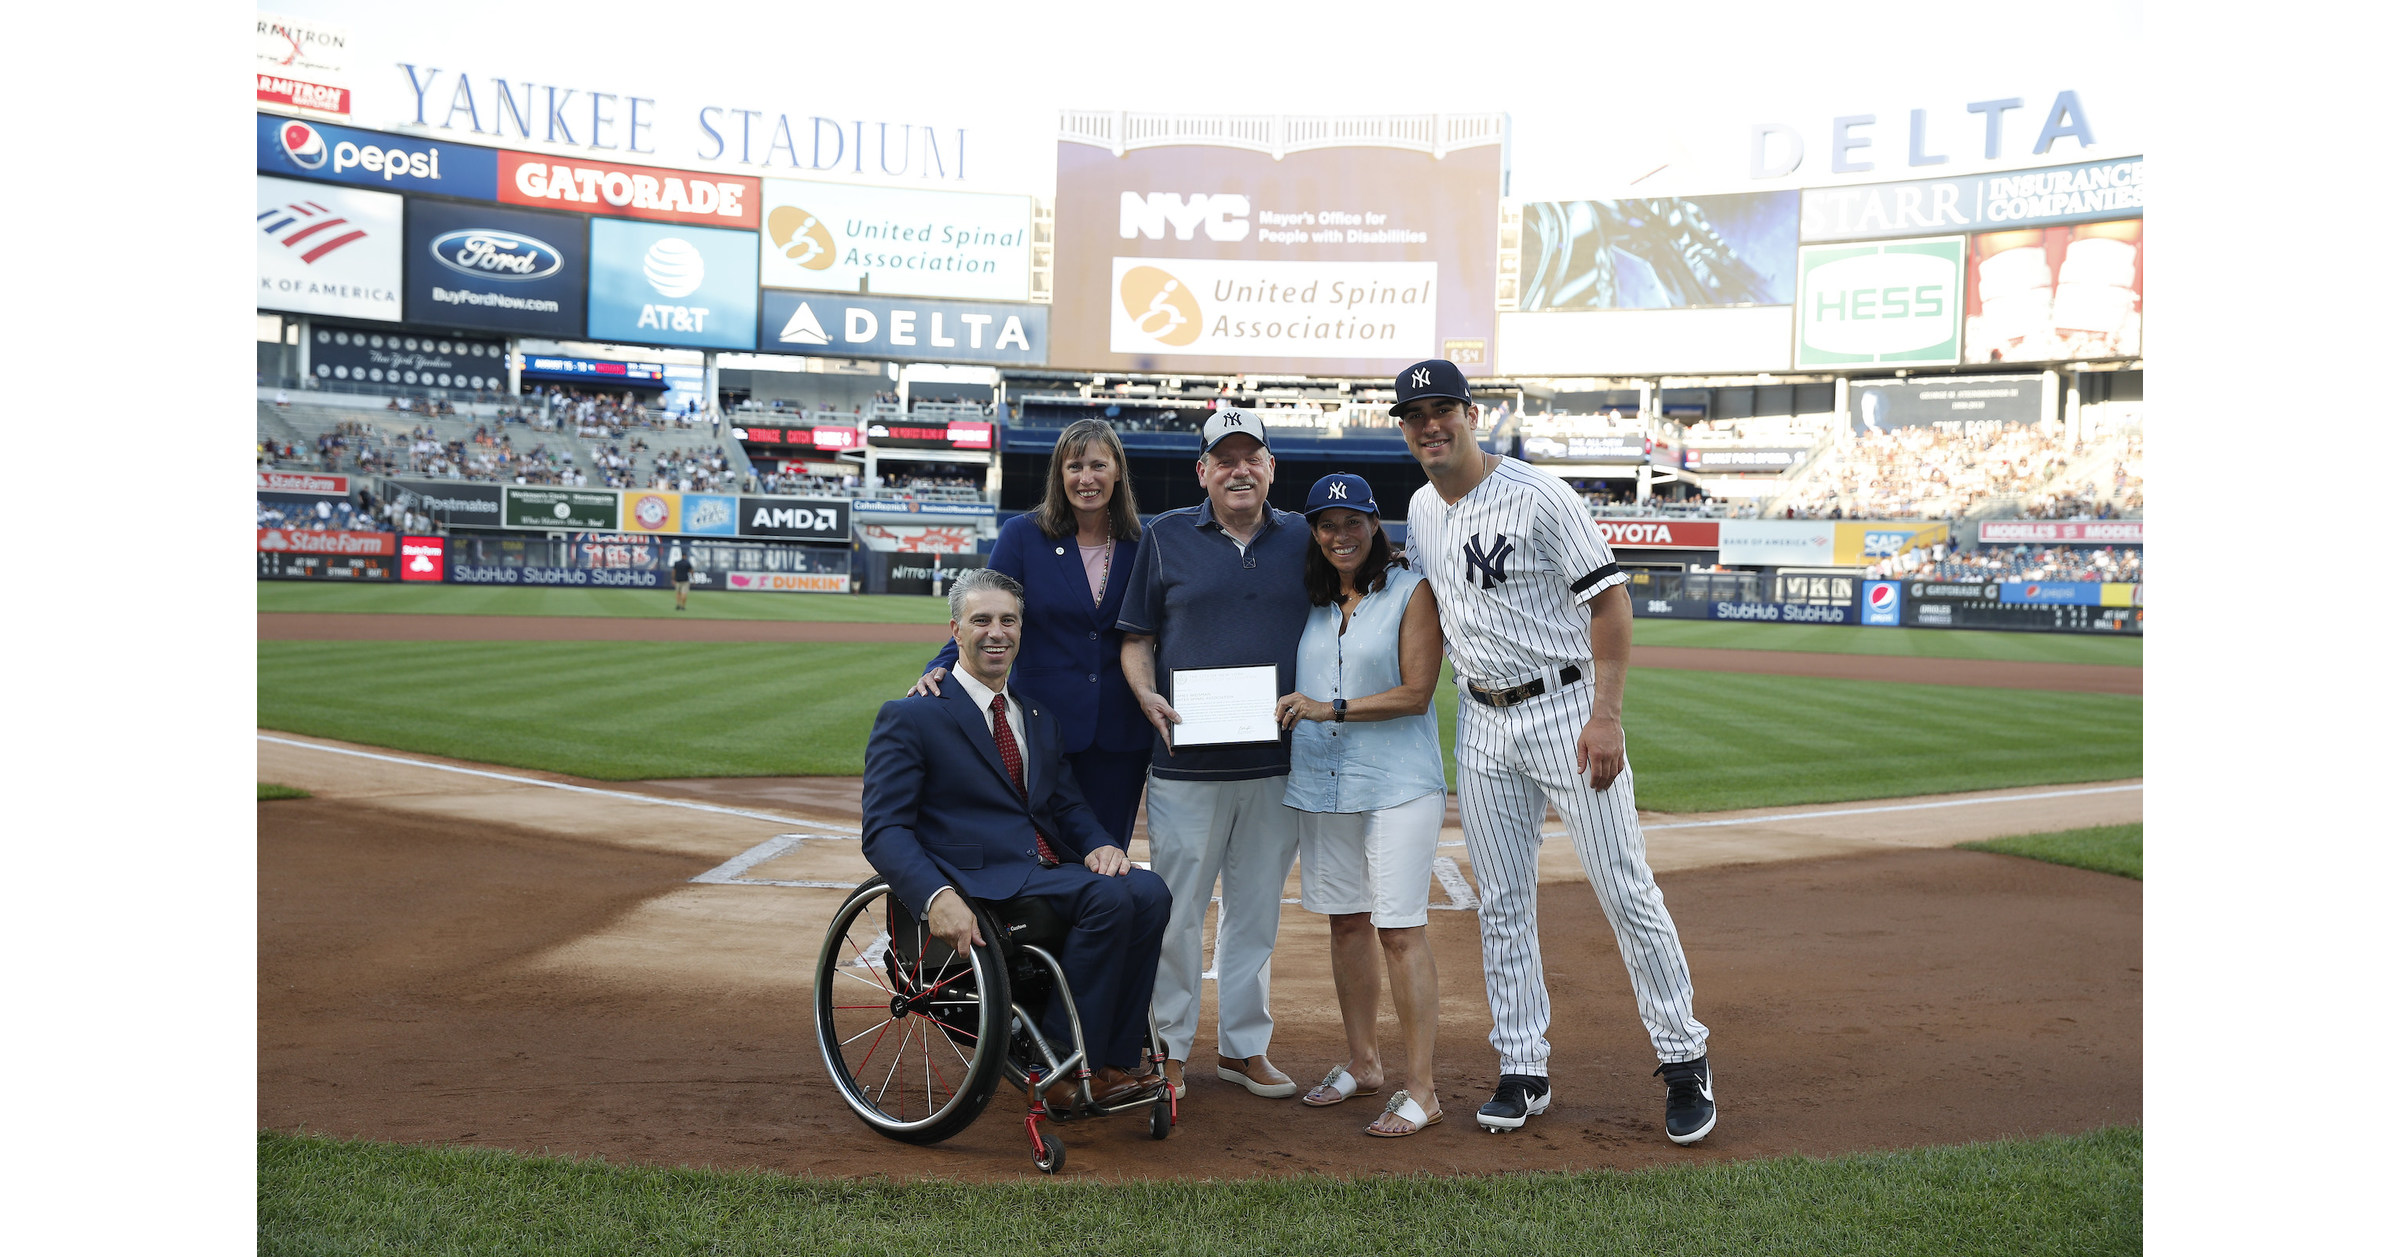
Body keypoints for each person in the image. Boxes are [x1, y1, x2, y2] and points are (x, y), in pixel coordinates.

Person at [1391, 358, 1717, 1145]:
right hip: (1483, 720)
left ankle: (1685, 1060)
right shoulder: (1420, 508)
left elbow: (1610, 599)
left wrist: (1607, 715)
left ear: (1473, 413)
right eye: (1414, 415)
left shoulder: (1540, 496)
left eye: (1443, 409)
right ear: (1403, 428)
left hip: (1568, 708)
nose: (1430, 425)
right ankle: (1523, 1067)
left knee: (1623, 887)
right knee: (1501, 901)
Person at [859, 568, 1171, 1107]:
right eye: (981, 621)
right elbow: (883, 829)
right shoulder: (911, 717)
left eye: (1008, 620)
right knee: (1108, 900)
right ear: (955, 630)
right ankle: (1059, 1060)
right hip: (979, 882)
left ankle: (1113, 1059)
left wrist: (1099, 842)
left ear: (1022, 631)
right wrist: (936, 896)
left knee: (1149, 891)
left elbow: (1066, 804)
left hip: (1039, 870)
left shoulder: (1036, 717)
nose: (996, 632)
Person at [1117, 408, 1312, 1103]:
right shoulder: (1166, 536)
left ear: (1269, 467)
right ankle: (1169, 1049)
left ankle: (1243, 1048)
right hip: (1185, 765)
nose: (1237, 469)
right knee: (1177, 911)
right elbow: (1136, 636)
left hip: (1275, 762)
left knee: (1255, 912)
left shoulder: (1303, 536)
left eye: (1249, 457)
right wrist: (1145, 694)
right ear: (1202, 470)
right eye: (1222, 459)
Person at [1272, 474, 1449, 1137]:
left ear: (1376, 525)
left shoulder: (1411, 590)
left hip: (1398, 782)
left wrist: (1329, 707)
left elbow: (1417, 691)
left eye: (1353, 521)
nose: (1339, 534)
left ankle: (1423, 1088)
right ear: (1314, 533)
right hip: (1324, 782)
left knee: (1398, 928)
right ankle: (1363, 1062)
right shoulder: (1315, 603)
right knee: (1345, 923)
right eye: (1326, 524)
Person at [912, 419, 1151, 846]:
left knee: (1107, 851)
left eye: (1099, 465)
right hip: (1042, 728)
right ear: (1060, 474)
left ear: (1118, 471)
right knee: (1043, 849)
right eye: (1074, 466)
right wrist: (941, 666)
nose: (1087, 478)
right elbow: (987, 611)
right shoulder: (1023, 536)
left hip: (1121, 735)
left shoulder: (1142, 541)